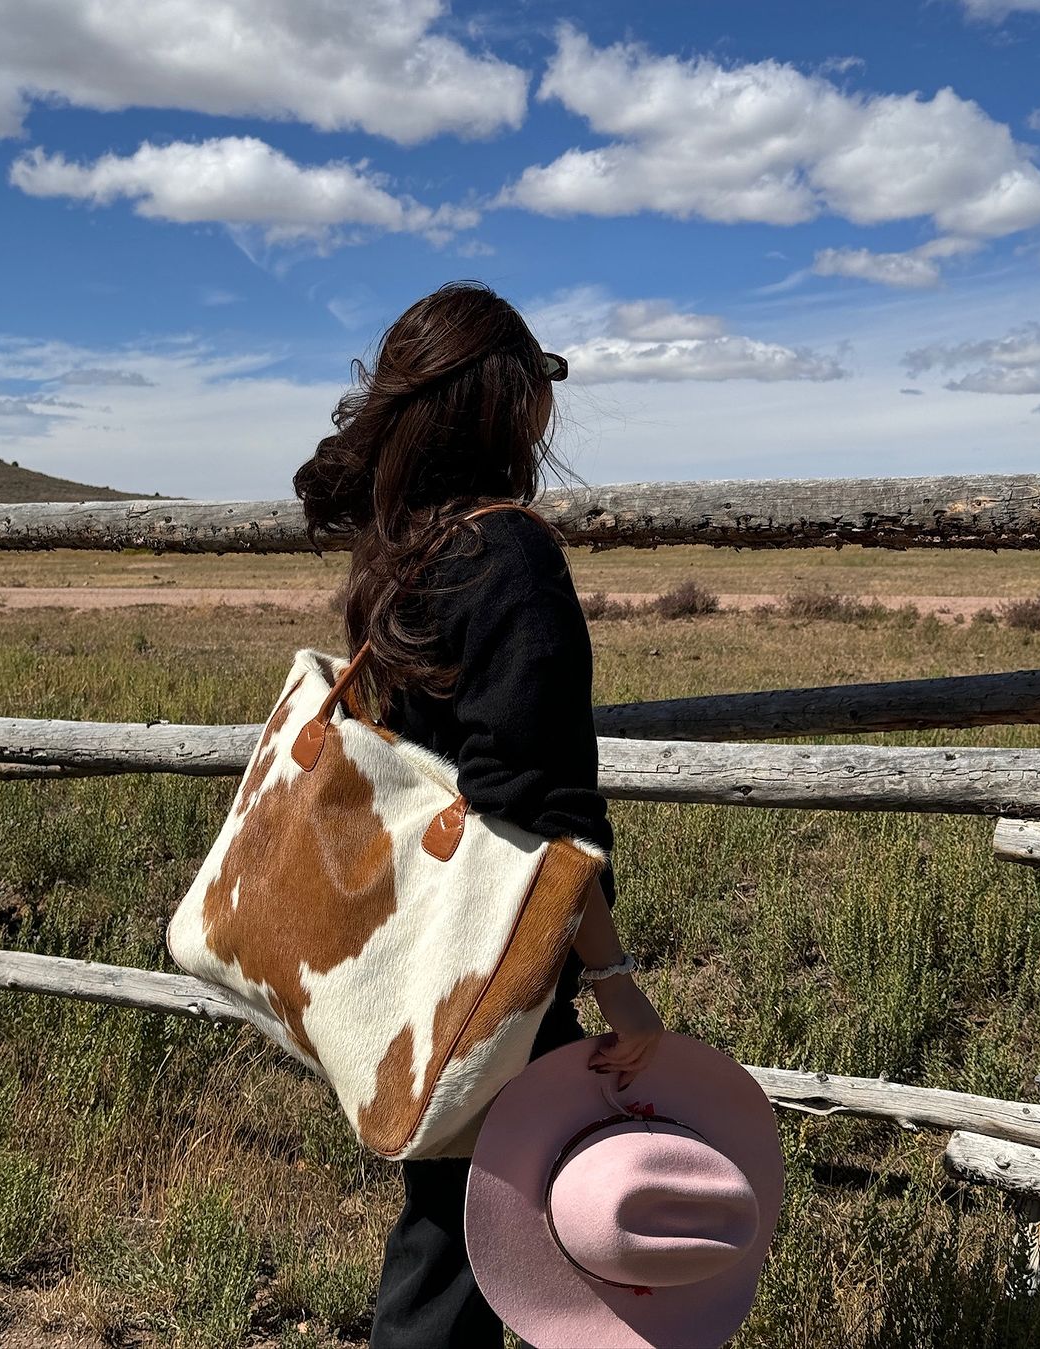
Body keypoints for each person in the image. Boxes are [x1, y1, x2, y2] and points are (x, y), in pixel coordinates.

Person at [293, 279, 665, 1349]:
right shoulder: (511, 555)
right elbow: (539, 816)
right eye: (541, 376)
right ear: (502, 400)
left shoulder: (402, 548)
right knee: (477, 1233)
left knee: (465, 1222)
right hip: (498, 954)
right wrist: (615, 981)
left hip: (420, 946)